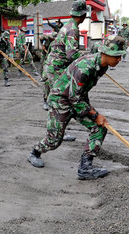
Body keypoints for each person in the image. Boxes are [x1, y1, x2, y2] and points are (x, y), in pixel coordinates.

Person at [27, 36, 127, 180]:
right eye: (117, 56)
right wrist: (94, 114)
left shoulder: (103, 66)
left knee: (99, 127)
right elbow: (74, 97)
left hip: (76, 99)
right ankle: (35, 152)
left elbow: (81, 92)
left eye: (120, 56)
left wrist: (92, 113)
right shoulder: (85, 67)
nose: (119, 60)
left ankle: (85, 168)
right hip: (60, 100)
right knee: (54, 140)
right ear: (105, 53)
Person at [40, 0, 89, 140]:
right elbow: (71, 54)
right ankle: (57, 132)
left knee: (58, 99)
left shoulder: (68, 25)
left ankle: (57, 130)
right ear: (83, 15)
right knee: (60, 100)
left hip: (54, 66)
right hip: (56, 68)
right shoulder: (72, 29)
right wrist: (86, 58)